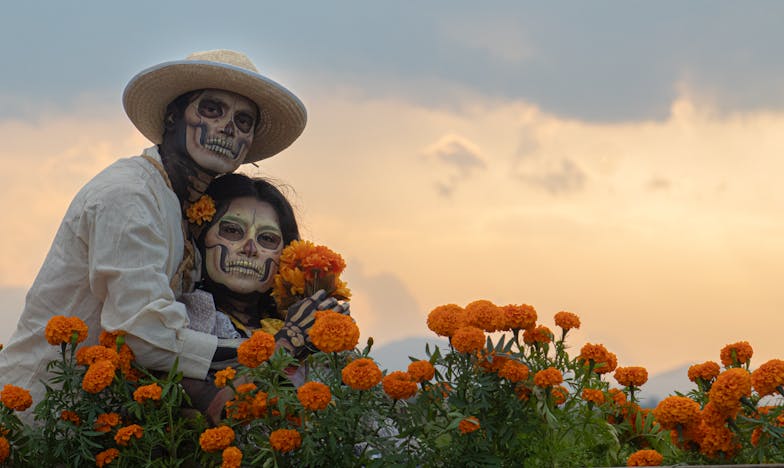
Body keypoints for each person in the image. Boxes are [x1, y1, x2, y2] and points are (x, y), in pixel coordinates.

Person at [0, 50, 315, 418]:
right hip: (32, 425)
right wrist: (278, 347)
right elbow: (144, 335)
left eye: (243, 121)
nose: (229, 128)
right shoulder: (130, 195)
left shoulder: (182, 206)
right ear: (172, 116)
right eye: (212, 110)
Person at [180, 173, 348, 414]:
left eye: (266, 239)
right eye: (232, 231)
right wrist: (291, 340)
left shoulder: (290, 323)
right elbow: (223, 415)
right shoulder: (181, 323)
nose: (249, 249)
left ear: (285, 255)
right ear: (199, 238)